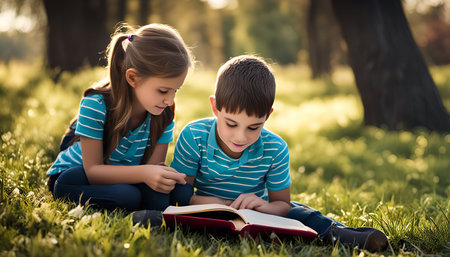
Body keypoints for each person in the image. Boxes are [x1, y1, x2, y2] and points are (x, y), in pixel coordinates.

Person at [169, 55, 388, 252]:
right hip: (204, 211)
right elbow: (180, 195)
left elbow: (282, 204)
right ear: (215, 107)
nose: (240, 137)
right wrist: (216, 202)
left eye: (254, 127)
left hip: (259, 216)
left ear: (268, 115)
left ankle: (343, 234)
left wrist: (263, 206)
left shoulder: (275, 148)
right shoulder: (194, 136)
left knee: (299, 213)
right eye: (231, 124)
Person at [46, 24, 194, 214]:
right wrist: (145, 174)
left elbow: (152, 170)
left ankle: (147, 212)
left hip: (128, 177)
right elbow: (93, 172)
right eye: (163, 90)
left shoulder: (163, 112)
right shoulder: (96, 104)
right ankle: (137, 206)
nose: (170, 100)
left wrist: (159, 177)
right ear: (133, 78)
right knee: (128, 196)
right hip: (77, 176)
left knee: (181, 192)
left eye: (176, 90)